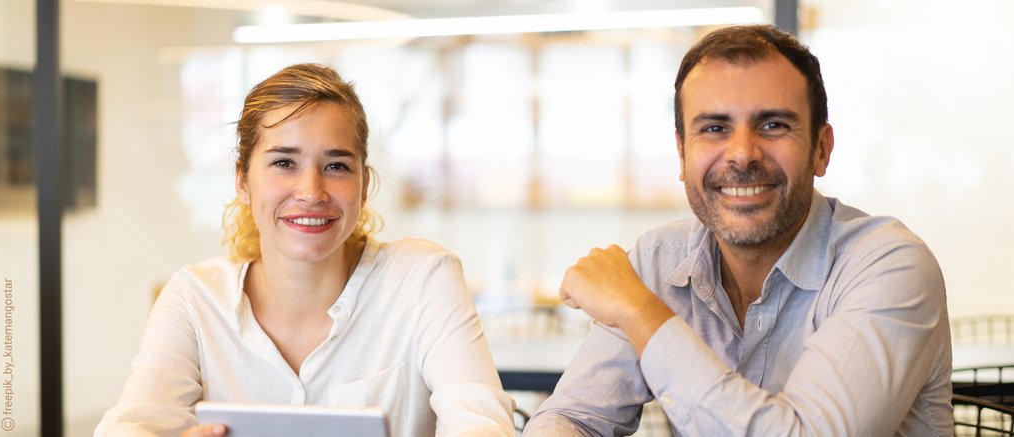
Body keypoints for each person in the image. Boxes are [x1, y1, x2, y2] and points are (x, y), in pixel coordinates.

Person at [524, 24, 952, 436]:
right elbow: (574, 417)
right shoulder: (659, 259)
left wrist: (640, 313)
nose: (743, 154)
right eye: (715, 128)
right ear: (681, 153)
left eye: (773, 125)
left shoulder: (889, 266)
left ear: (821, 150)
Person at [95, 63, 515, 437]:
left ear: (364, 186)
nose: (312, 192)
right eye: (284, 163)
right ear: (242, 181)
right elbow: (130, 426)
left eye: (336, 166)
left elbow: (480, 421)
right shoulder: (194, 298)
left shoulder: (423, 279)